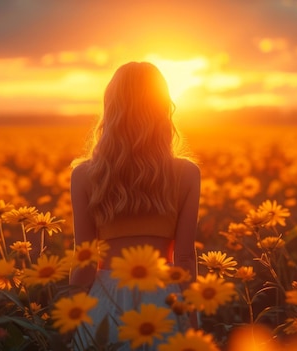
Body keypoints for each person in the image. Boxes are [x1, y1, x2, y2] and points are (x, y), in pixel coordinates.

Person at [69, 61, 201, 350]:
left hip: (104, 302)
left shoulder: (84, 175)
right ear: (163, 108)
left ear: (111, 107)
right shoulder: (187, 174)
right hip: (164, 301)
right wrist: (191, 320)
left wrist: (65, 313)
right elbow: (185, 259)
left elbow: (85, 262)